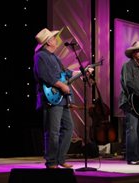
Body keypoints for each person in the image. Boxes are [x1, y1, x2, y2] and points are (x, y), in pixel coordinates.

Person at [33, 28, 93, 169]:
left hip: (62, 98)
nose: (56, 40)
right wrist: (60, 85)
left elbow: (66, 73)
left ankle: (60, 158)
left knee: (68, 128)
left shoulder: (55, 57)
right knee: (52, 130)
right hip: (51, 98)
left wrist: (83, 72)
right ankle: (51, 161)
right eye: (54, 38)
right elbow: (43, 75)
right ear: (48, 42)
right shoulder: (40, 56)